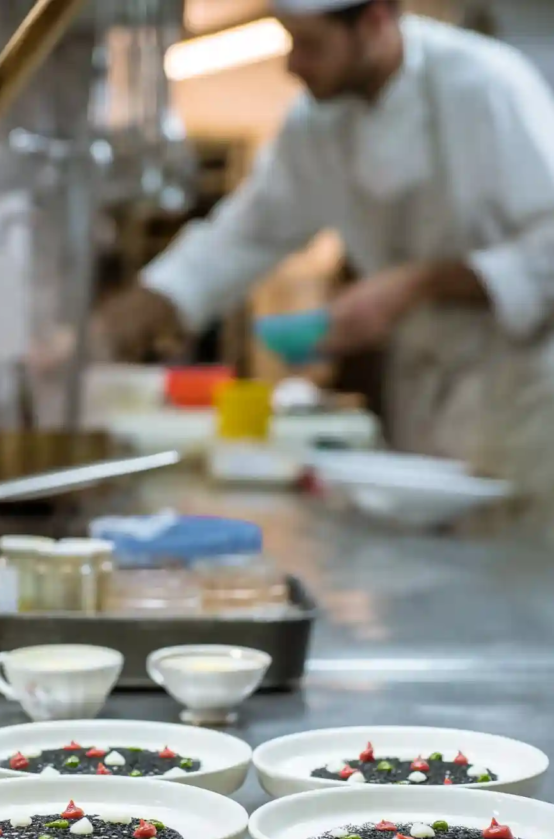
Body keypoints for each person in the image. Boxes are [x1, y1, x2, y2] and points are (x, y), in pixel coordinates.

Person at [97, 0, 554, 529]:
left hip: (527, 398)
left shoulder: (484, 85)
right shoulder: (315, 127)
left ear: (376, 22)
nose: (292, 65)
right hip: (429, 398)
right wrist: (122, 319)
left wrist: (415, 286)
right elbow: (242, 235)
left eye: (309, 46)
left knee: (523, 583)